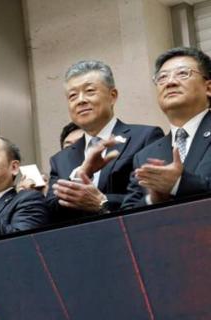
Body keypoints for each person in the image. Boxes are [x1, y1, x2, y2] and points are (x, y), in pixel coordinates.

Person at [48, 60, 164, 221]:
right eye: (73, 95)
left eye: (89, 91)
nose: (80, 100)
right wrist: (80, 175)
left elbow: (151, 197)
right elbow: (51, 212)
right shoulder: (60, 160)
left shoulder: (145, 136)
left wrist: (102, 202)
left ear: (112, 96)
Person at [124, 46, 211, 208]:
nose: (170, 82)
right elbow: (128, 212)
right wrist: (153, 200)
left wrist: (178, 184)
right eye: (162, 77)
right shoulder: (145, 156)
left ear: (208, 88)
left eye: (182, 73)